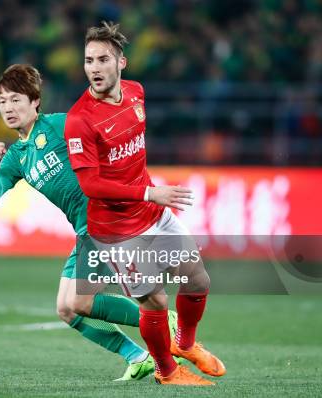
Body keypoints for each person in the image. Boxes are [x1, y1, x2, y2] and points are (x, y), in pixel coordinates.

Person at [0, 64, 181, 381]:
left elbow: (103, 140)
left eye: (16, 99)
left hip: (103, 221)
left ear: (35, 101)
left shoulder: (61, 125)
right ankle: (138, 356)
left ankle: (162, 318)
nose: (8, 107)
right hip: (83, 230)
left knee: (79, 301)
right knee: (66, 309)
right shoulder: (17, 156)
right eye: (3, 101)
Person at [64, 21, 226, 386]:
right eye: (88, 60)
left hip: (153, 213)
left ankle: (185, 344)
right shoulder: (80, 120)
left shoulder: (137, 93)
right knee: (154, 303)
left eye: (103, 59)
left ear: (122, 62)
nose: (94, 68)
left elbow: (129, 158)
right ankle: (166, 371)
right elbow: (90, 184)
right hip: (118, 232)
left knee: (197, 278)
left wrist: (149, 196)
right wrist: (148, 192)